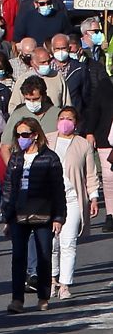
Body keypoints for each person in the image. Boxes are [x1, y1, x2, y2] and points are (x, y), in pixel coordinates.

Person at [1, 118, 67, 313]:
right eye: (18, 135)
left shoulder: (50, 158)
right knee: (18, 257)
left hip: (43, 213)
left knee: (44, 255)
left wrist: (59, 216)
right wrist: (7, 216)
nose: (21, 139)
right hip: (18, 214)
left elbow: (58, 189)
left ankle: (43, 296)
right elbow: (8, 187)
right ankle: (17, 299)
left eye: (25, 135)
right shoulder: (15, 158)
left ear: (35, 135)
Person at [48, 105, 101, 299]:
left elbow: (91, 174)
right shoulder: (46, 139)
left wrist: (93, 197)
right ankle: (52, 278)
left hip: (72, 198)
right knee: (51, 242)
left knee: (68, 242)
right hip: (50, 200)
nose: (65, 122)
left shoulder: (82, 145)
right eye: (62, 118)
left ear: (76, 123)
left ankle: (65, 284)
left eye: (69, 119)